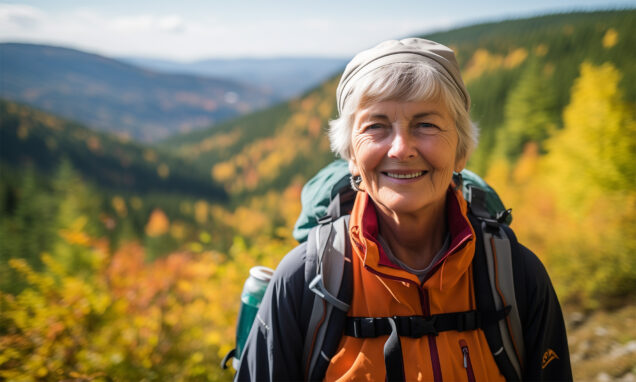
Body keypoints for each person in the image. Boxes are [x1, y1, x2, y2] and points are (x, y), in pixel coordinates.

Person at [235, 38, 572, 381]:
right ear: (352, 156)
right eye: (376, 126)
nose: (400, 148)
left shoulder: (517, 276)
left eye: (426, 124)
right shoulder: (304, 282)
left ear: (461, 150)